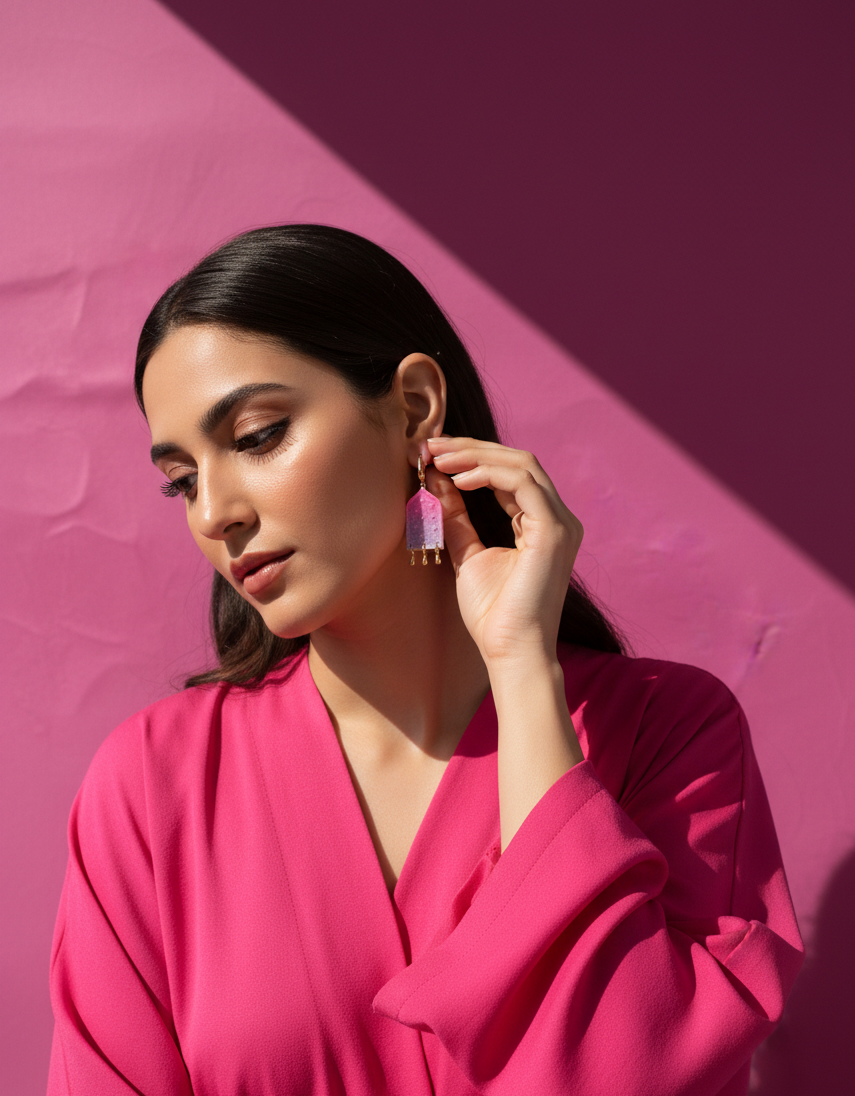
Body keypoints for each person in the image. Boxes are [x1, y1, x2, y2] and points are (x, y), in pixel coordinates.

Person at [47, 224, 803, 1096]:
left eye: (256, 436)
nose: (213, 513)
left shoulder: (668, 736)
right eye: (181, 480)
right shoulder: (154, 784)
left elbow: (620, 1069)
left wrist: (522, 668)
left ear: (412, 408)